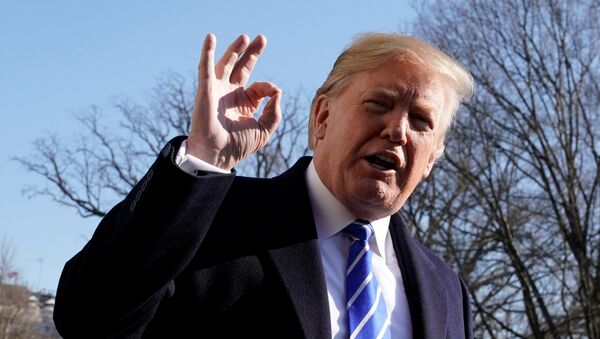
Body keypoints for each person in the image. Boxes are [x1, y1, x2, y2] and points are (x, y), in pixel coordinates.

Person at [54, 32, 474, 338]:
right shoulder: (211, 218)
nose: (397, 130)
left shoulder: (447, 291)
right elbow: (88, 319)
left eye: (421, 120)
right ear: (322, 117)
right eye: (379, 104)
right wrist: (206, 156)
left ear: (432, 159)